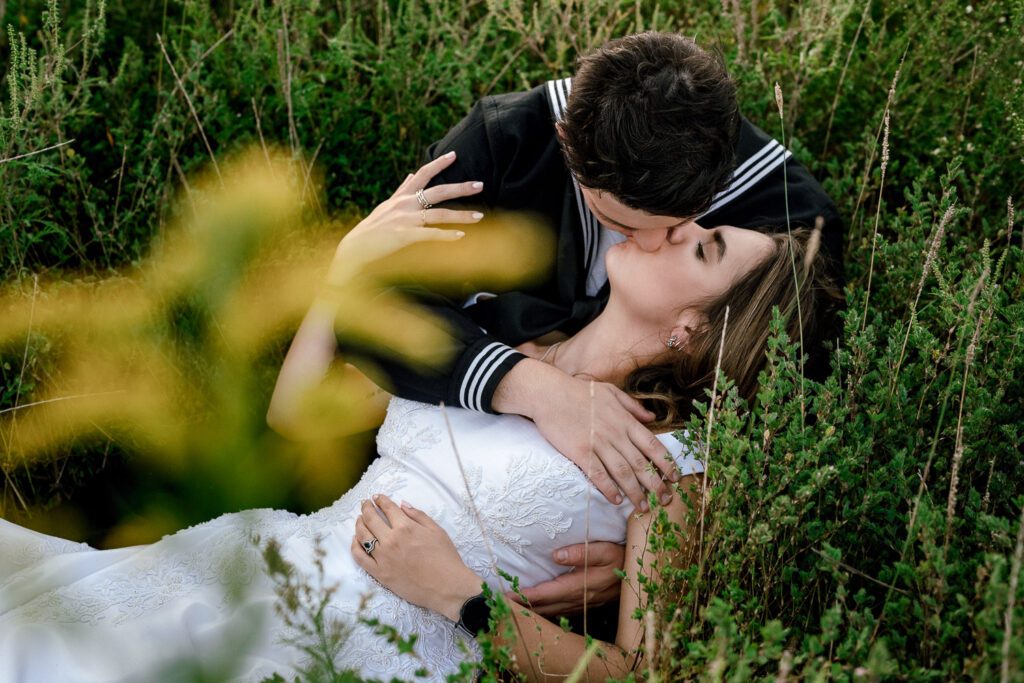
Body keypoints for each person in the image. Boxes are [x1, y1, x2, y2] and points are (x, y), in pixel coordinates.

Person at [0, 156, 836, 682]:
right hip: (256, 562)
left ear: (696, 329)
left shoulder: (669, 460)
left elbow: (645, 670)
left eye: (704, 246)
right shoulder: (502, 343)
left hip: (374, 651)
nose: (678, 225)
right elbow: (297, 416)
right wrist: (345, 274)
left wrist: (463, 596)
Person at [340, 32, 843, 615]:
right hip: (385, 497)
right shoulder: (505, 141)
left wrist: (636, 559)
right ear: (566, 144)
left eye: (682, 220)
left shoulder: (792, 225)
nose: (656, 240)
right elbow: (374, 307)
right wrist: (533, 386)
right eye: (623, 222)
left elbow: (784, 410)